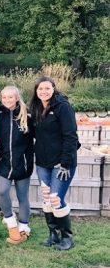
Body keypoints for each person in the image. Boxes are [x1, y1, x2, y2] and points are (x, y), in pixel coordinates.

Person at [29, 76, 79, 250]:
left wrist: (65, 163)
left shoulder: (62, 107)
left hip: (62, 163)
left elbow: (71, 136)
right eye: (40, 89)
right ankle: (53, 235)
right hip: (43, 163)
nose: (43, 91)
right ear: (36, 91)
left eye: (47, 88)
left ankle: (67, 237)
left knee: (55, 198)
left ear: (53, 89)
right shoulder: (36, 107)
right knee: (47, 199)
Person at [0, 84, 34, 244]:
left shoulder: (27, 115)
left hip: (23, 164)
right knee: (2, 191)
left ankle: (24, 227)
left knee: (23, 197)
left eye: (11, 97)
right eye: (4, 97)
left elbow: (41, 136)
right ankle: (10, 221)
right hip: (4, 163)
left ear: (16, 98)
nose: (7, 100)